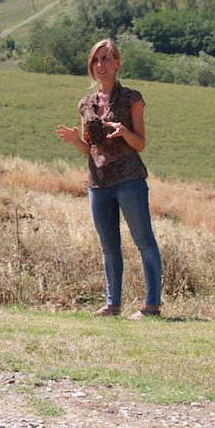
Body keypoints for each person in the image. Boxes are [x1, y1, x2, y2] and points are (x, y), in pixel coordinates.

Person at [55, 38, 163, 320]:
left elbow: (140, 143)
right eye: (96, 60)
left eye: (106, 59)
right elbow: (88, 149)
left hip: (129, 179)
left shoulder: (131, 98)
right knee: (109, 247)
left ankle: (152, 305)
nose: (100, 65)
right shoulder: (86, 104)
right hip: (98, 184)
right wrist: (74, 139)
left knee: (144, 241)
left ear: (117, 64)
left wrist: (123, 131)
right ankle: (113, 304)